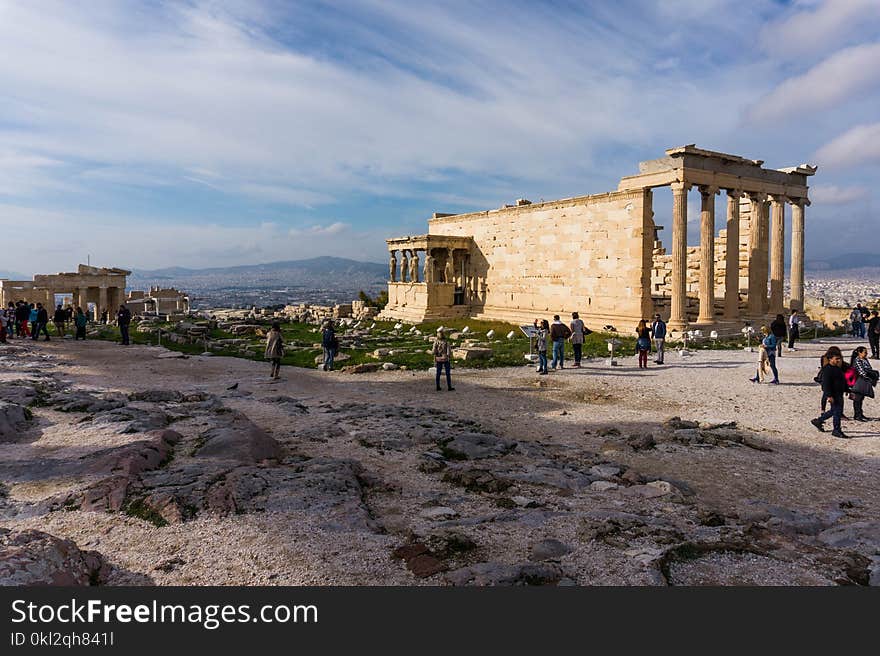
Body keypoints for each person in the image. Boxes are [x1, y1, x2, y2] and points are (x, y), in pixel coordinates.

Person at [812, 349, 849, 438]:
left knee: (834, 411)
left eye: (839, 359)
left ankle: (818, 421)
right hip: (833, 394)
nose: (838, 360)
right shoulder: (827, 370)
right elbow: (826, 384)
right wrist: (829, 395)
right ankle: (836, 430)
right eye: (836, 359)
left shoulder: (837, 368)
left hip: (839, 393)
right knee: (837, 412)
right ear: (830, 359)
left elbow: (842, 381)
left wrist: (847, 390)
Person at [849, 346, 877, 421]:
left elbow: (869, 369)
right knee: (857, 398)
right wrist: (870, 375)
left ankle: (860, 414)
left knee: (861, 398)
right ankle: (857, 415)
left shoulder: (864, 359)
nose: (866, 354)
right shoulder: (857, 360)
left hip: (863, 381)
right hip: (858, 381)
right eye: (865, 352)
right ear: (859, 353)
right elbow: (862, 372)